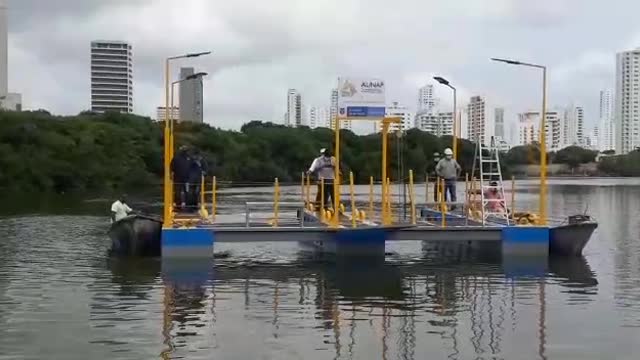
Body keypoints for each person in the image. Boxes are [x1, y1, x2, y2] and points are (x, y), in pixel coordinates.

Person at [170, 145, 191, 211]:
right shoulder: (177, 158)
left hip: (186, 178)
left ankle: (182, 206)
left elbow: (171, 168)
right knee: (179, 192)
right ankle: (180, 206)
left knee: (184, 192)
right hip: (180, 178)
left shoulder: (189, 158)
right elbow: (171, 167)